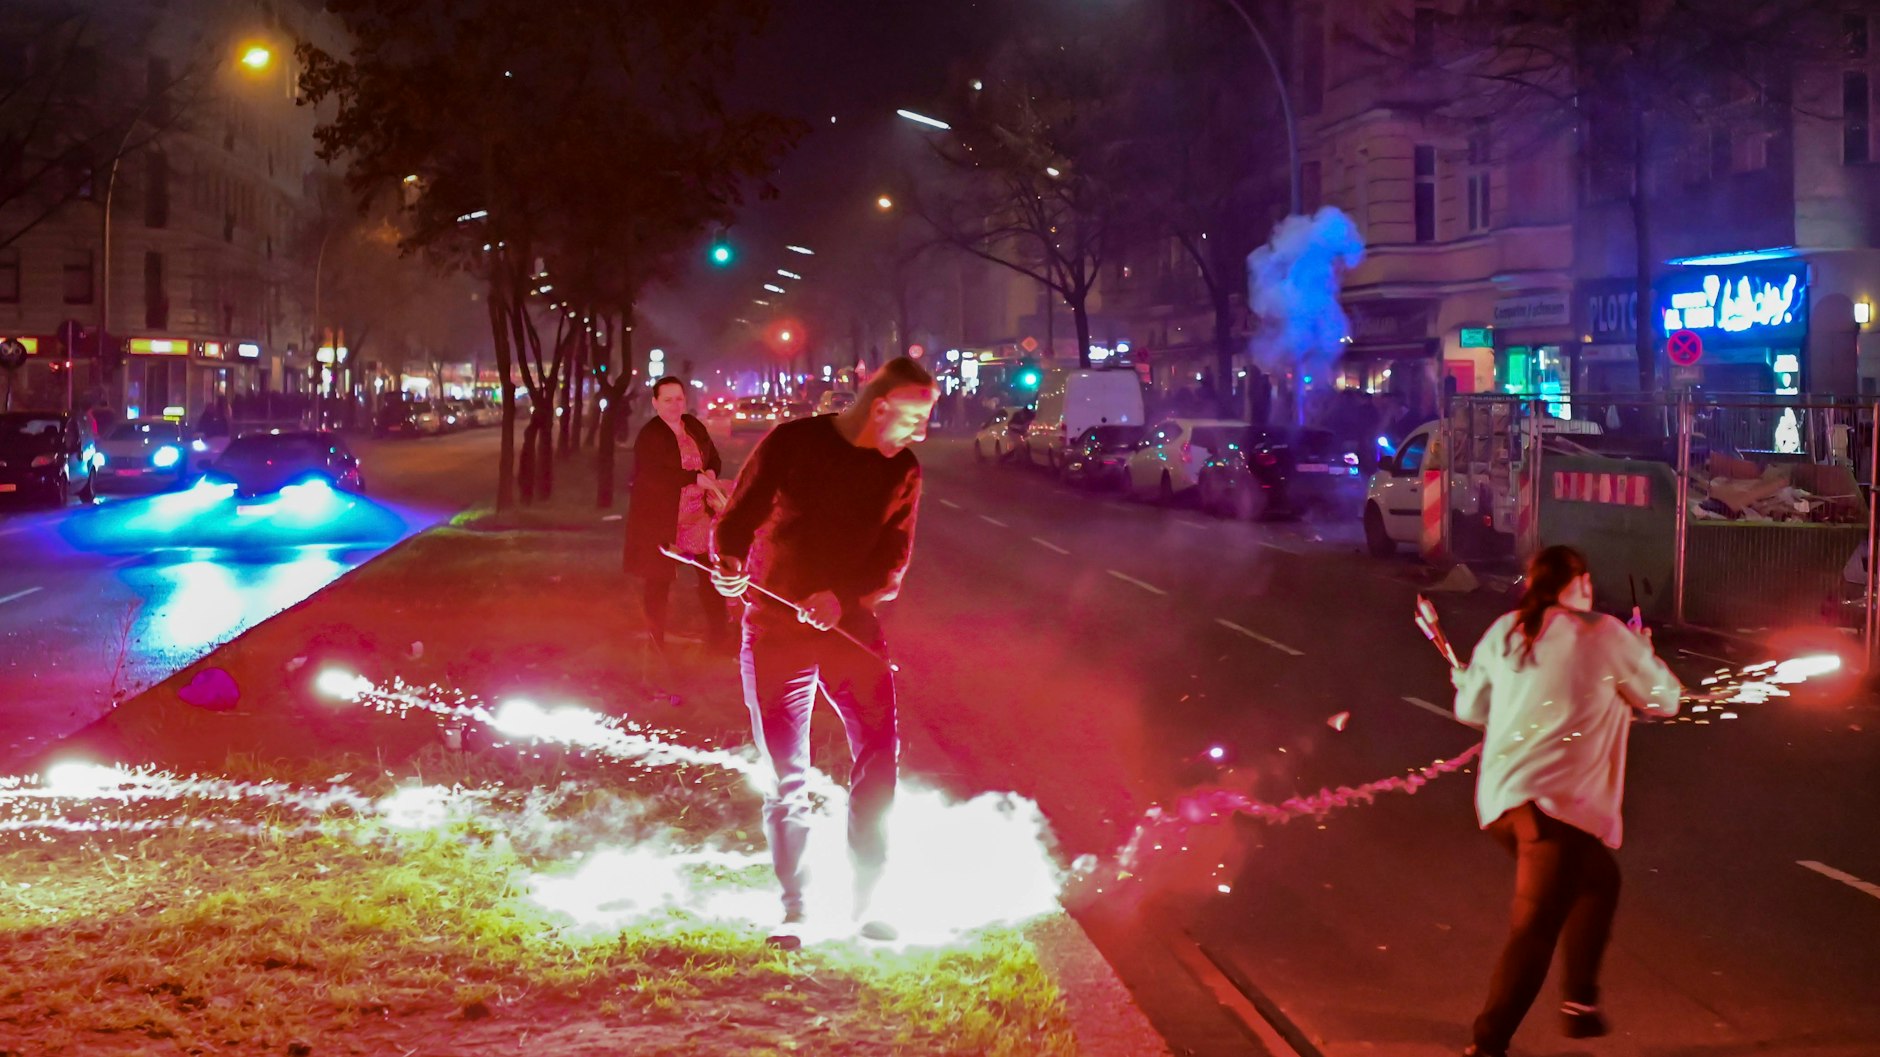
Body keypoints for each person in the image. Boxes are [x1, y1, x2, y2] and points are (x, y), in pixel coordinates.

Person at [710, 355, 935, 947]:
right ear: (880, 408)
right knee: (786, 773)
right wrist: (727, 563)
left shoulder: (902, 470)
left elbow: (893, 559)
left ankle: (867, 899)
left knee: (878, 753)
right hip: (775, 630)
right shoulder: (793, 443)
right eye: (914, 417)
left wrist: (843, 597)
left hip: (850, 630)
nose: (922, 431)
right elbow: (737, 519)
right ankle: (797, 908)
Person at [1450, 545, 1682, 1057]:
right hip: (1555, 812)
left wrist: (1469, 680)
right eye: (1588, 583)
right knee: (1535, 928)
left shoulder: (1507, 630)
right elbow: (1664, 699)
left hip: (1504, 804)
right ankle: (1487, 1043)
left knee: (1598, 880)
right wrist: (1642, 653)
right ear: (1579, 583)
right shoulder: (1605, 634)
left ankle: (1580, 1001)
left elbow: (1470, 708)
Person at [623, 376, 729, 651]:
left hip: (698, 519)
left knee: (711, 576)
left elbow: (713, 457)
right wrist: (693, 478)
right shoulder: (651, 435)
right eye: (667, 400)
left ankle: (719, 637)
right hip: (665, 521)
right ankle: (655, 640)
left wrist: (710, 473)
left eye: (679, 399)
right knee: (658, 582)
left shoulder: (693, 426)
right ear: (655, 402)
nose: (674, 405)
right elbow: (653, 475)